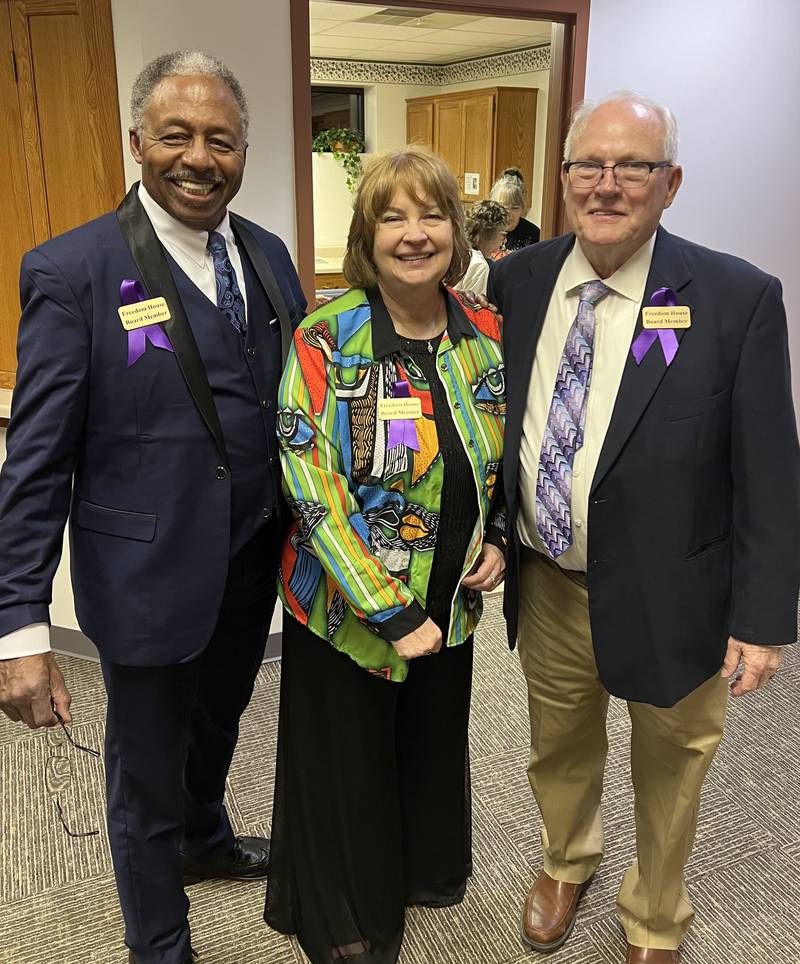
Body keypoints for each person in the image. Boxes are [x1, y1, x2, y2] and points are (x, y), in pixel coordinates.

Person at [0, 51, 306, 964]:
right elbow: (36, 460)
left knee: (218, 723)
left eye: (221, 139)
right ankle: (159, 945)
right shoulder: (72, 271)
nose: (199, 157)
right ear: (138, 142)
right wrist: (18, 625)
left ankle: (206, 838)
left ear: (243, 151)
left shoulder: (268, 253)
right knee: (143, 771)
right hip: (142, 576)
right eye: (177, 135)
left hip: (253, 560)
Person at [488, 91, 800, 964]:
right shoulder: (519, 279)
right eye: (588, 164)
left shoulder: (737, 298)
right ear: (562, 180)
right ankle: (566, 859)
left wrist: (765, 617)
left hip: (679, 591)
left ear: (671, 184)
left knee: (673, 764)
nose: (608, 184)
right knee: (559, 741)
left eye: (635, 166)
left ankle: (656, 916)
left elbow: (770, 468)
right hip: (550, 579)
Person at [264, 148, 507, 964]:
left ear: (456, 231)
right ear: (367, 236)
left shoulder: (485, 330)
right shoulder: (327, 337)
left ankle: (412, 875)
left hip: (452, 604)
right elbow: (310, 485)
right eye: (392, 217)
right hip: (349, 610)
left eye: (432, 214)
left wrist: (499, 538)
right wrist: (389, 609)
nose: (414, 234)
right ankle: (348, 924)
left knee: (423, 751)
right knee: (349, 767)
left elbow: (504, 454)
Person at [458, 199, 509, 295]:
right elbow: (472, 308)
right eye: (503, 235)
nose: (504, 240)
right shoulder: (480, 266)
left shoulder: (459, 252)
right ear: (488, 235)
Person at [489, 167, 540, 254]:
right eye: (503, 207)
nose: (508, 213)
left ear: (522, 208)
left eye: (514, 208)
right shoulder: (485, 230)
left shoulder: (534, 234)